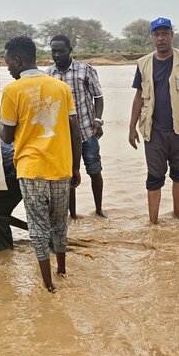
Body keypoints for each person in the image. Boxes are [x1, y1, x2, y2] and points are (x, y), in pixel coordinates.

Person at [0, 36, 81, 293]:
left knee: (37, 227)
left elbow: (8, 136)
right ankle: (62, 270)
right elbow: (75, 132)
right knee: (59, 224)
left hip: (31, 171)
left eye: (9, 62)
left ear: (18, 60)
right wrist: (76, 167)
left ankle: (48, 285)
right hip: (61, 168)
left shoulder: (12, 91)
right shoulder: (61, 88)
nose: (8, 67)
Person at [128, 17, 179, 224]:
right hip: (154, 132)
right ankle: (154, 224)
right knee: (154, 178)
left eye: (164, 34)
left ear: (171, 35)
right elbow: (138, 97)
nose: (161, 38)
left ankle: (178, 218)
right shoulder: (143, 63)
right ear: (152, 37)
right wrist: (131, 127)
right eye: (157, 34)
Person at [46, 34, 106, 218]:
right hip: (62, 136)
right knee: (68, 175)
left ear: (70, 50)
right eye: (54, 51)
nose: (57, 55)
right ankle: (72, 216)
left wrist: (98, 120)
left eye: (61, 51)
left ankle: (98, 210)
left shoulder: (85, 70)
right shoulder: (48, 75)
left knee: (94, 170)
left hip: (87, 131)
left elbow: (98, 97)